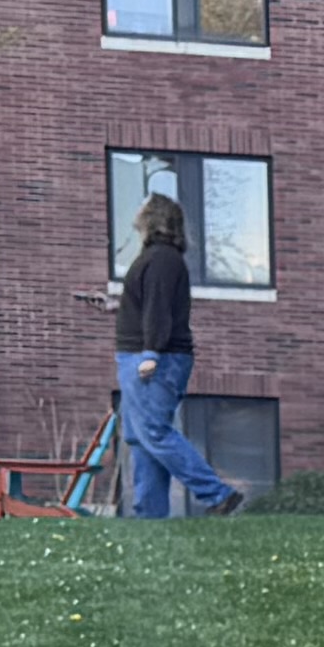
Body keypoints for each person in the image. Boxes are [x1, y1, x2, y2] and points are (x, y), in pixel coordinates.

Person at [110, 194, 240, 517]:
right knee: (142, 439)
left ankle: (217, 494)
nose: (136, 209)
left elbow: (158, 310)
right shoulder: (157, 259)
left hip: (155, 358)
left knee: (153, 431)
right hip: (143, 355)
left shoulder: (161, 259)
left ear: (153, 217)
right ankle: (150, 517)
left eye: (143, 205)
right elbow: (150, 305)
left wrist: (151, 352)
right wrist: (117, 305)